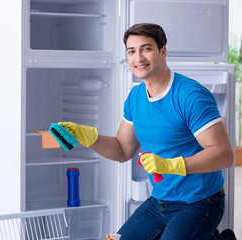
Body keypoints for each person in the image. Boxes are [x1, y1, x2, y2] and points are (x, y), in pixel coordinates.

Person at [56, 23, 237, 240]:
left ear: (162, 52)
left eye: (146, 48)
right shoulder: (135, 97)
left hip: (199, 201)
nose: (138, 57)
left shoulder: (190, 95)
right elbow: (123, 150)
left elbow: (224, 154)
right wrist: (88, 137)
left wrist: (172, 165)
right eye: (131, 51)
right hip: (160, 200)